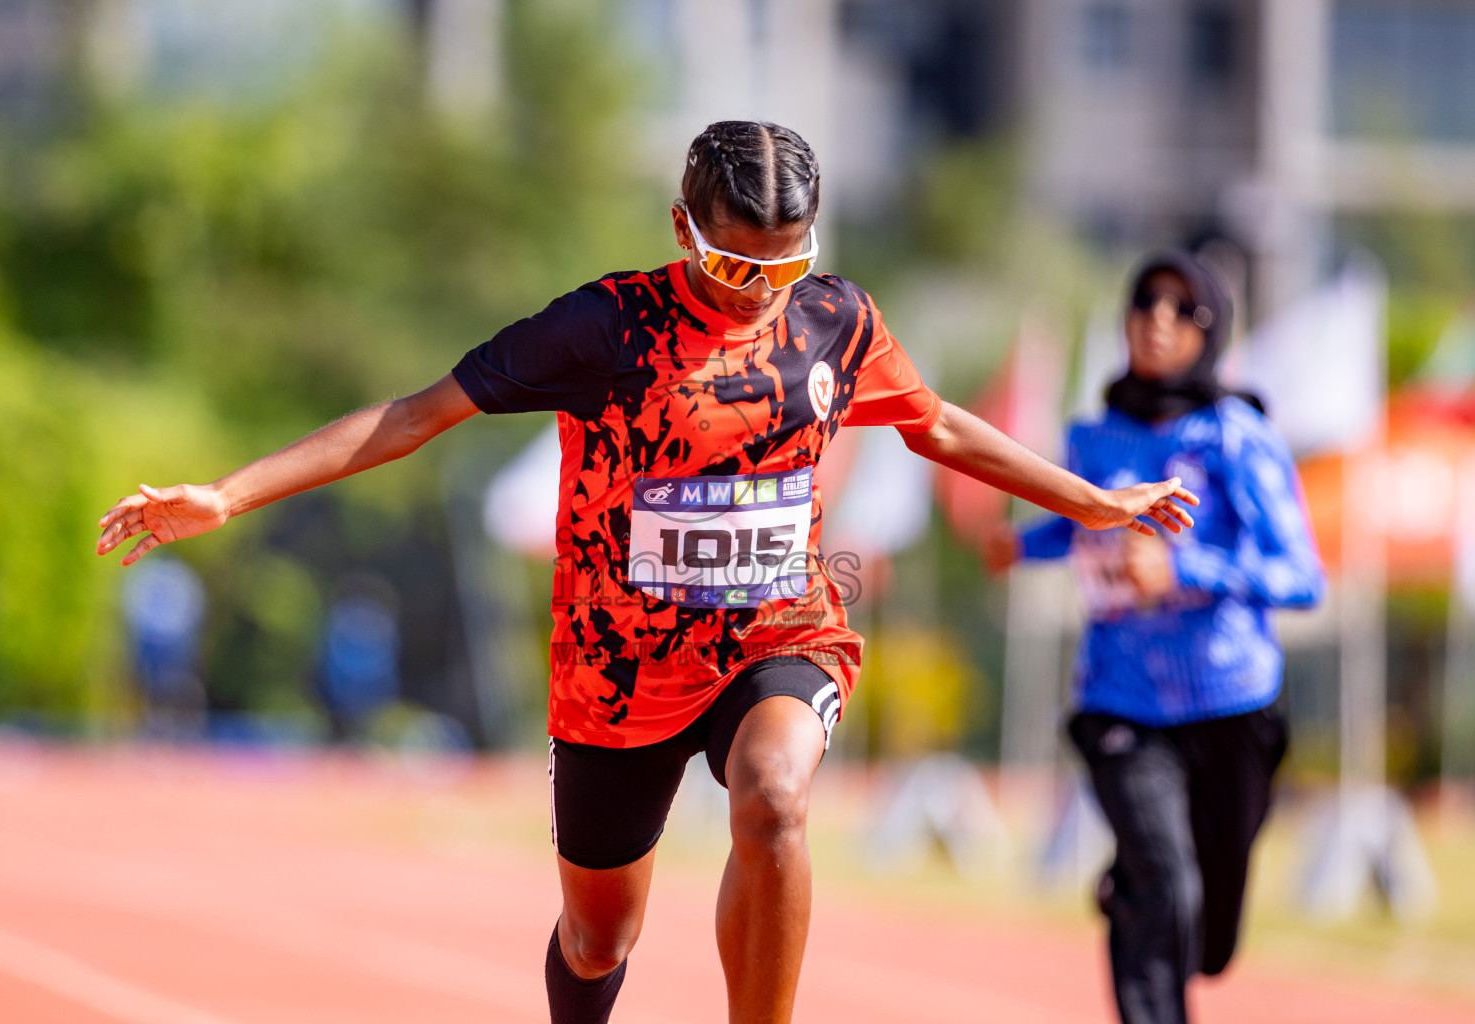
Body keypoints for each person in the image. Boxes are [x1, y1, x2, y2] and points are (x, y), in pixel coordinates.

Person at [98, 121, 1198, 1024]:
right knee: (597, 933)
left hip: (779, 632)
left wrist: (1090, 499)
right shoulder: (603, 327)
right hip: (616, 672)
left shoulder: (838, 322)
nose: (753, 294)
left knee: (773, 798)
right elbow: (413, 415)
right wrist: (229, 493)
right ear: (682, 230)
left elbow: (941, 426)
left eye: (783, 265)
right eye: (727, 265)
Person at [985, 250, 1324, 1024]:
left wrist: (1185, 569)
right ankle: (1142, 891)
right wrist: (1023, 547)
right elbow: (1083, 532)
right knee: (1165, 881)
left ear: (1214, 333)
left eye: (1183, 311)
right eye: (1145, 303)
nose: (1157, 322)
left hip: (1232, 705)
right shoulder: (1094, 439)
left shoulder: (1237, 436)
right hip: (1121, 700)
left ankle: (1139, 884)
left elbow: (1302, 577)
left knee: (1208, 931)